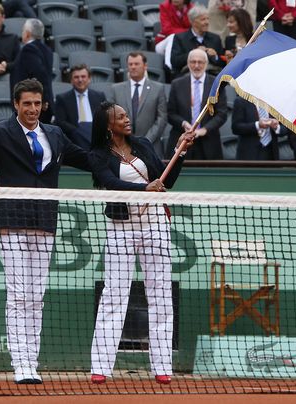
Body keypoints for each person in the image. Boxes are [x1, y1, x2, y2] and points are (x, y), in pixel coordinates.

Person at [0, 77, 92, 384]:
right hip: (13, 222)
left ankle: (33, 359)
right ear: (16, 105)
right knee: (18, 295)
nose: (32, 109)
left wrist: (125, 162)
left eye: (37, 104)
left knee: (37, 296)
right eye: (26, 104)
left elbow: (87, 159)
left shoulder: (55, 134)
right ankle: (21, 364)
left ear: (43, 105)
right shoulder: (1, 132)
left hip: (44, 222)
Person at [88, 101, 195, 386]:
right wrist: (142, 189)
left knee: (160, 294)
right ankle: (100, 366)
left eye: (126, 114)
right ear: (108, 125)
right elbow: (110, 183)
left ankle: (162, 366)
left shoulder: (144, 144)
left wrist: (179, 152)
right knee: (114, 295)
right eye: (120, 117)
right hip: (121, 229)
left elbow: (166, 180)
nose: (126, 119)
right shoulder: (98, 155)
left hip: (156, 225)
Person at [166, 49, 227, 159]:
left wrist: (204, 130)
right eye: (193, 62)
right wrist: (184, 123)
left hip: (209, 143)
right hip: (182, 142)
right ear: (188, 64)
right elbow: (170, 113)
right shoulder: (177, 84)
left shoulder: (216, 84)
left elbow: (222, 114)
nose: (196, 65)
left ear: (206, 64)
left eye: (200, 62)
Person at [107, 52, 167, 157]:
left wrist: (145, 141)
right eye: (130, 64)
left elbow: (162, 118)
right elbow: (110, 116)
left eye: (136, 64)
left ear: (145, 66)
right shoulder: (116, 89)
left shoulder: (158, 88)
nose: (133, 67)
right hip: (122, 147)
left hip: (151, 146)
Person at [10, 18, 53, 124]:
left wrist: (43, 99)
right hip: (40, 103)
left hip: (30, 103)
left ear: (28, 34)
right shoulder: (47, 50)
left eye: (23, 31)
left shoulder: (28, 49)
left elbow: (40, 74)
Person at [54, 64, 106, 150]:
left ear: (89, 79)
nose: (80, 80)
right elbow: (60, 121)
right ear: (71, 80)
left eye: (83, 76)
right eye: (76, 77)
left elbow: (105, 118)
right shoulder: (62, 98)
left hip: (96, 134)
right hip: (75, 139)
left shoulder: (99, 96)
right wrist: (78, 131)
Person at [170, 5, 225, 77]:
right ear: (193, 22)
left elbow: (223, 63)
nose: (207, 22)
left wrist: (216, 56)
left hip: (211, 76)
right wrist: (194, 53)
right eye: (203, 19)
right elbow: (175, 62)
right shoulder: (180, 38)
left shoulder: (215, 38)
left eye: (208, 19)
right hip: (188, 76)